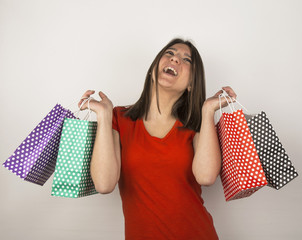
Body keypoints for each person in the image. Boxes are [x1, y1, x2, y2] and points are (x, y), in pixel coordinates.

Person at [79, 38, 237, 240]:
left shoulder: (195, 123)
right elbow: (104, 184)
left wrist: (207, 111)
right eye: (169, 53)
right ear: (153, 69)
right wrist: (103, 115)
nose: (175, 59)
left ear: (191, 83)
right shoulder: (119, 118)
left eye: (186, 59)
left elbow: (206, 177)